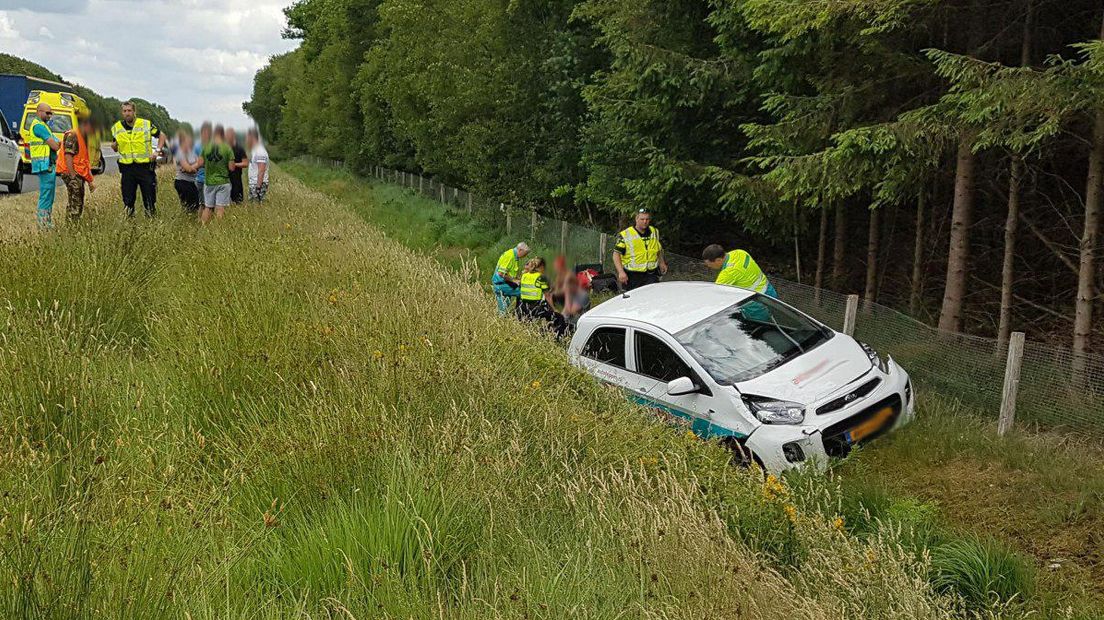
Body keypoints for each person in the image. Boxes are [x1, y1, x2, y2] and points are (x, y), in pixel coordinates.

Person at [110, 101, 166, 218]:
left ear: (134, 112)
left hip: (144, 168)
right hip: (127, 169)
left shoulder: (145, 124)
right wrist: (114, 146)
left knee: (149, 198)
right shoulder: (116, 127)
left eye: (129, 111)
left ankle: (151, 221)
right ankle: (130, 225)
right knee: (128, 200)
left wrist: (157, 151)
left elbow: (162, 135)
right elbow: (115, 146)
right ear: (122, 113)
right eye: (125, 111)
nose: (127, 113)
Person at [613, 209, 668, 291]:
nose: (645, 221)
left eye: (647, 219)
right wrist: (621, 272)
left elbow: (658, 249)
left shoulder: (654, 232)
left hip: (651, 274)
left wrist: (661, 262)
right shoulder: (626, 234)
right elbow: (616, 254)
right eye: (642, 219)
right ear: (636, 219)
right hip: (633, 276)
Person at [56, 112, 96, 222]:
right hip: (71, 173)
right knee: (75, 203)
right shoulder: (73, 135)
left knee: (77, 201)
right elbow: (68, 156)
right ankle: (71, 228)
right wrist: (73, 177)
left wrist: (90, 180)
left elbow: (84, 162)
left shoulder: (83, 137)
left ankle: (73, 226)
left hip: (77, 173)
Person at [27, 103, 61, 228]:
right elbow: (56, 145)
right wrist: (57, 144)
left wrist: (57, 143)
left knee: (49, 196)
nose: (49, 115)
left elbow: (56, 142)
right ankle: (43, 224)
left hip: (47, 164)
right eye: (47, 113)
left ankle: (46, 222)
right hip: (44, 164)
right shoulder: (39, 127)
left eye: (50, 113)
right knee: (46, 196)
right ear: (38, 112)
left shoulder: (44, 126)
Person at [516, 257, 569, 338]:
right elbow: (548, 295)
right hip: (535, 308)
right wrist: (554, 309)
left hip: (523, 307)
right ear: (541, 267)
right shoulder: (541, 277)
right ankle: (557, 337)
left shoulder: (524, 276)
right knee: (559, 317)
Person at [702, 244, 778, 298]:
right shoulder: (739, 252)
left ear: (718, 260)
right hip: (769, 291)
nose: (708, 266)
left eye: (709, 264)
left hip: (757, 303)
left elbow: (715, 295)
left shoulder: (728, 273)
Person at [196, 125, 234, 223]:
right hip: (223, 181)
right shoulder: (227, 148)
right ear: (223, 134)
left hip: (208, 182)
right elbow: (231, 168)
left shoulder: (206, 146)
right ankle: (217, 230)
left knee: (208, 207)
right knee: (220, 208)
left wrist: (208, 164)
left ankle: (203, 227)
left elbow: (199, 164)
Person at [492, 242, 530, 315]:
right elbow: (501, 273)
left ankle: (513, 315)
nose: (525, 256)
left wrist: (517, 278)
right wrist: (514, 280)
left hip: (504, 283)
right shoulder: (510, 256)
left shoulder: (513, 255)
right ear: (520, 250)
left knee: (503, 309)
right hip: (501, 284)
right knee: (524, 293)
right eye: (525, 254)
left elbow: (509, 272)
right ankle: (520, 315)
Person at [172, 129, 201, 213]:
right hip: (182, 182)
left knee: (196, 205)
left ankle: (192, 222)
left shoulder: (192, 153)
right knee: (189, 207)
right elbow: (189, 169)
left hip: (192, 182)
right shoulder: (179, 153)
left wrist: (191, 167)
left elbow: (200, 162)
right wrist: (192, 168)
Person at [245, 128, 269, 202]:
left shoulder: (260, 151)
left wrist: (258, 187)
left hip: (258, 184)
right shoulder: (255, 150)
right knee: (253, 206)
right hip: (254, 183)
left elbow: (261, 170)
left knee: (257, 205)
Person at [226, 127, 248, 204]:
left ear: (233, 136)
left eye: (229, 136)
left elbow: (245, 163)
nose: (227, 138)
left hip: (236, 179)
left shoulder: (239, 148)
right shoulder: (223, 148)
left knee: (237, 201)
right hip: (225, 179)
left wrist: (234, 164)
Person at [194, 122, 212, 198]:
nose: (206, 135)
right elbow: (195, 161)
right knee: (200, 203)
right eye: (204, 133)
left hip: (212, 180)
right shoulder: (196, 146)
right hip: (199, 178)